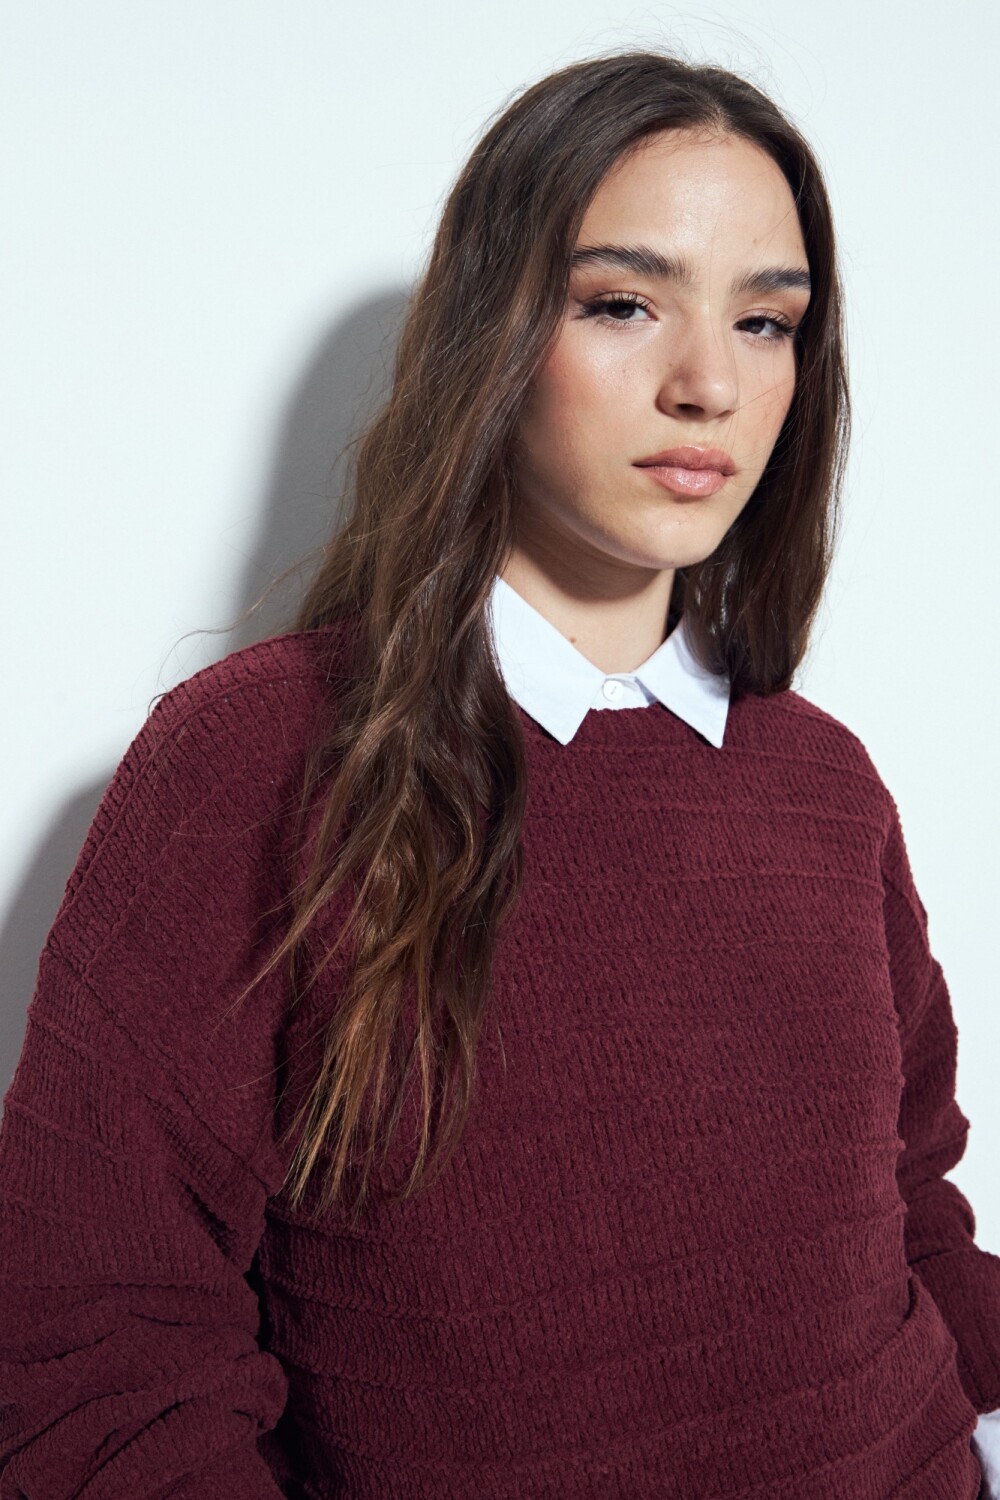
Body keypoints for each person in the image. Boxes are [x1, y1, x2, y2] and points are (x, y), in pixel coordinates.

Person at [0, 47, 997, 1500]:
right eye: (622, 304)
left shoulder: (823, 783)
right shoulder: (254, 763)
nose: (710, 384)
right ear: (497, 330)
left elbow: (913, 1213)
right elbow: (95, 1346)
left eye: (767, 322)